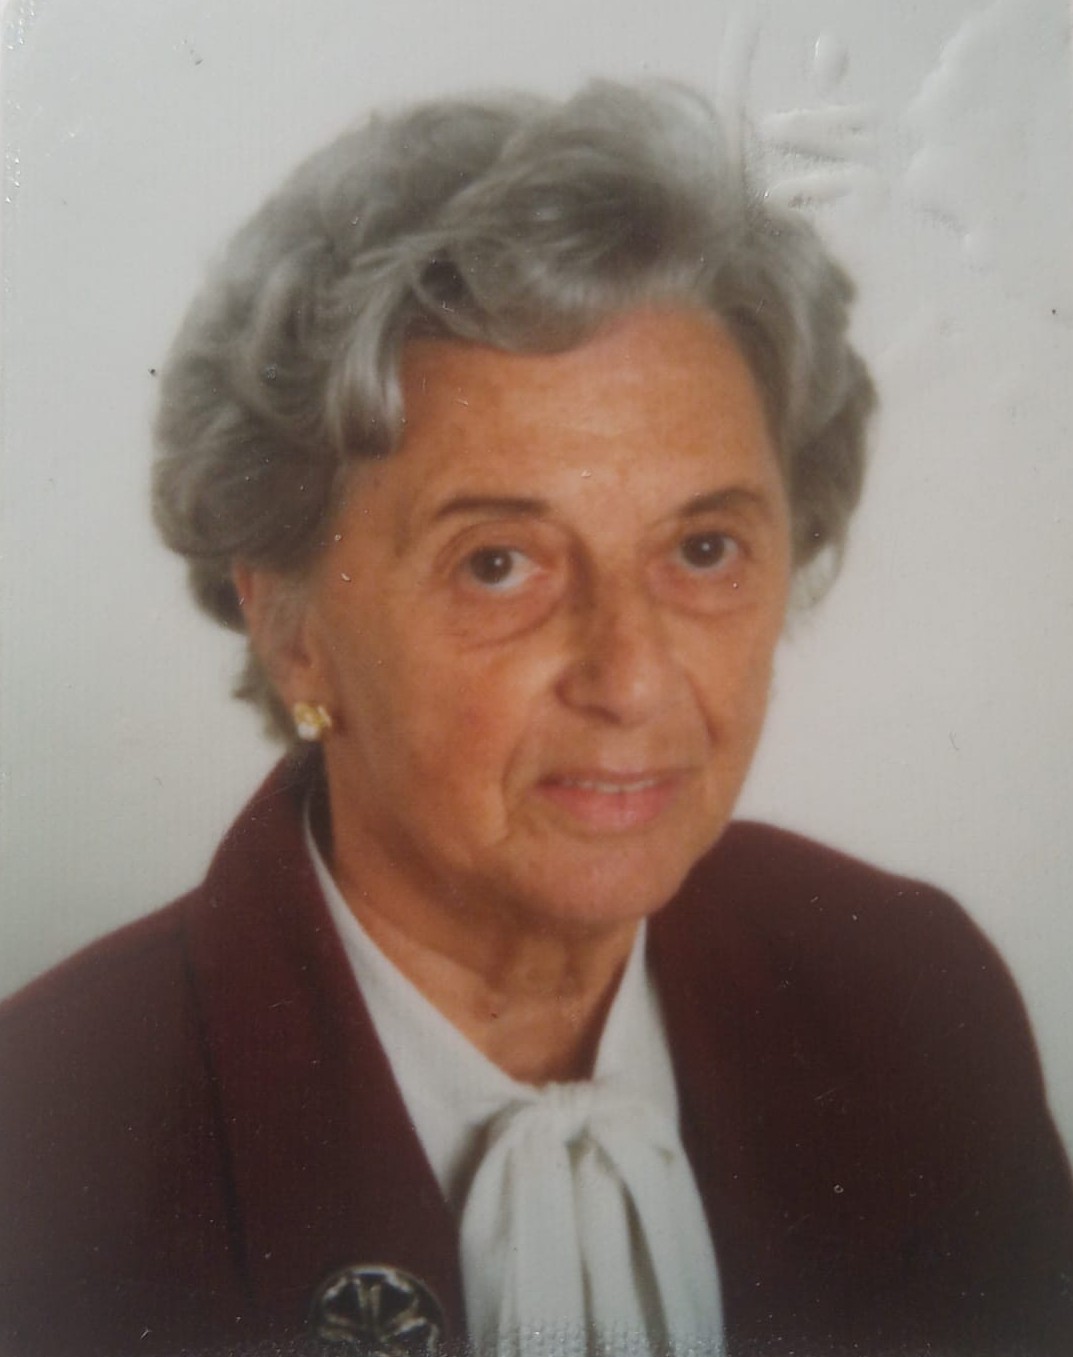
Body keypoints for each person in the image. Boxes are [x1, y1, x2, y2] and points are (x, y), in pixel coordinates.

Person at [2, 81, 1071, 1357]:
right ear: (290, 624)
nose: (630, 677)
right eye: (498, 563)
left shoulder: (913, 998)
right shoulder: (48, 1137)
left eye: (703, 547)